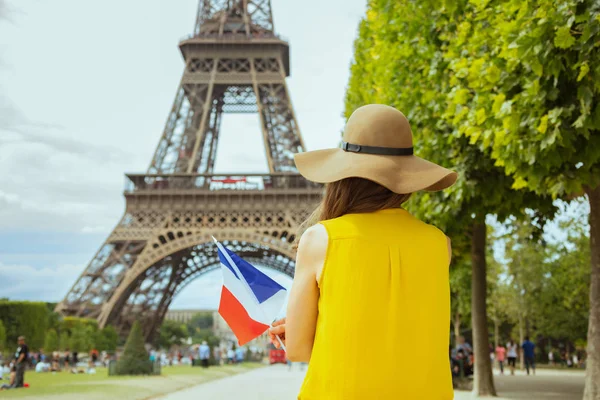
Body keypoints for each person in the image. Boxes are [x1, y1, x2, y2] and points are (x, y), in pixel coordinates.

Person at [268, 105, 458, 399]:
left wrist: (298, 329)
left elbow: (299, 349)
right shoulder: (438, 243)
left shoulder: (321, 239)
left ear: (341, 176)